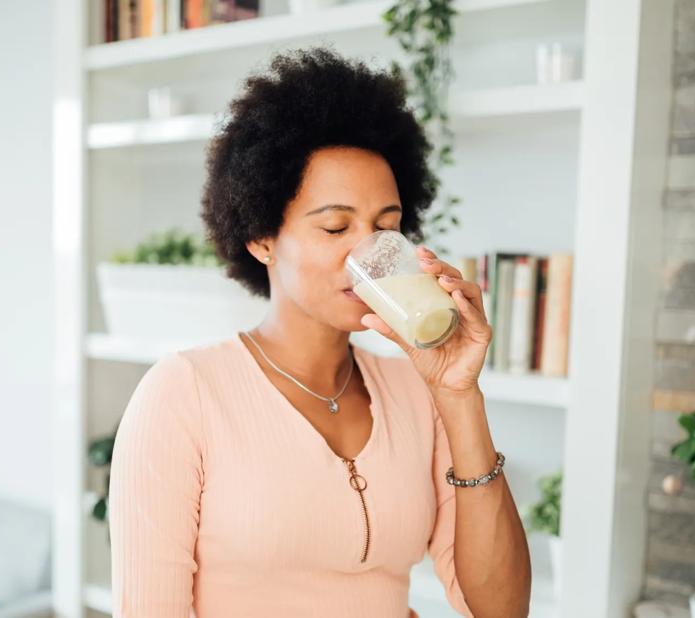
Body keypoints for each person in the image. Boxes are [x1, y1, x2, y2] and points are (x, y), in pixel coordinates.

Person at [109, 45, 531, 618]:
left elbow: (500, 608)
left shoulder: (414, 392)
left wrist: (459, 397)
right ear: (261, 238)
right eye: (335, 226)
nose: (369, 251)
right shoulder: (184, 394)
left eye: (387, 227)